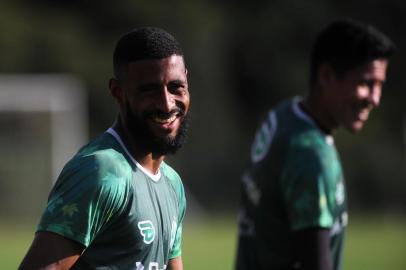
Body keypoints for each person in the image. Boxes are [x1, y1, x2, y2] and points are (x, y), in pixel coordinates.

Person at [19, 27, 190, 270]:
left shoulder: (172, 184)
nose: (166, 103)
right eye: (148, 90)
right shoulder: (101, 173)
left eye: (176, 87)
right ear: (118, 92)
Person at [235, 18, 395, 270]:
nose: (374, 99)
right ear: (326, 76)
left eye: (380, 86)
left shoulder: (284, 114)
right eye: (366, 83)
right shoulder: (310, 154)